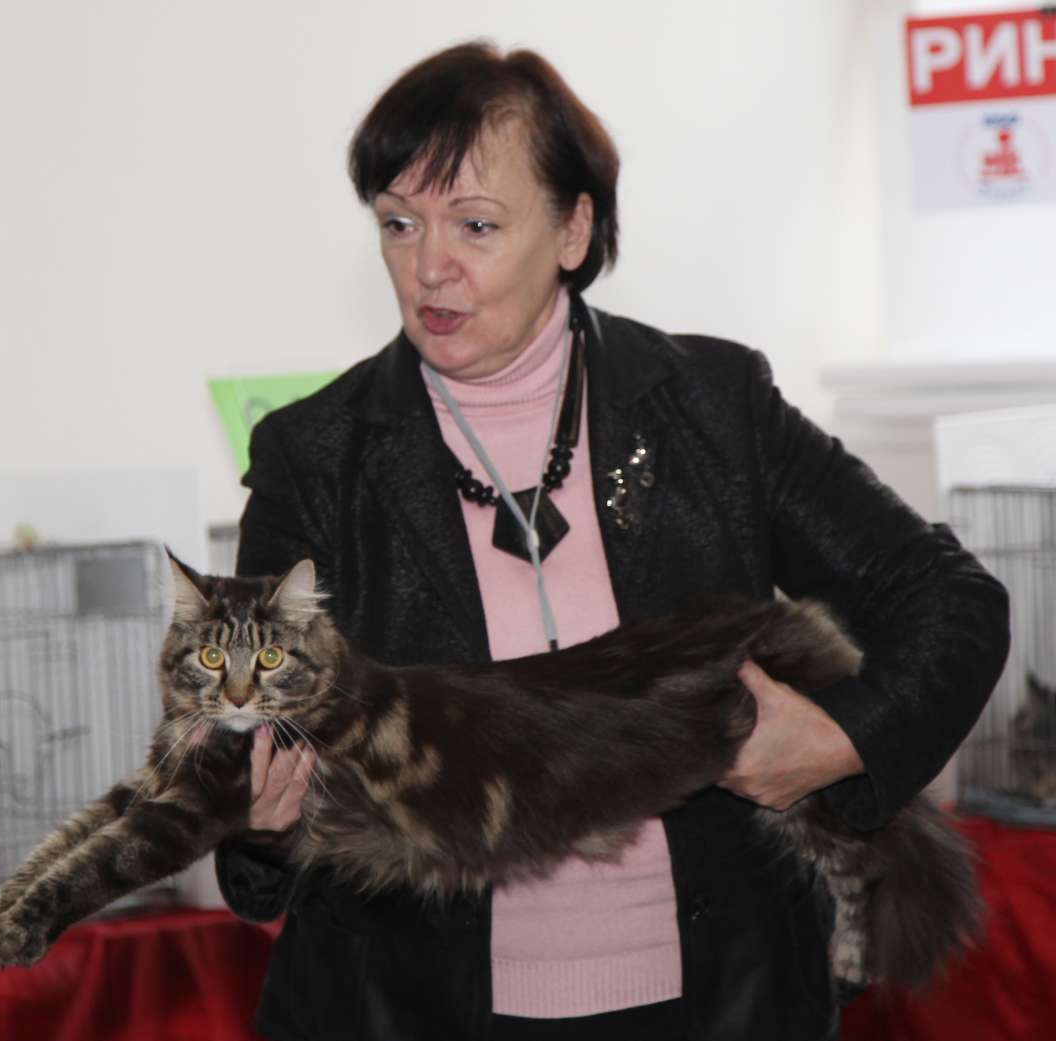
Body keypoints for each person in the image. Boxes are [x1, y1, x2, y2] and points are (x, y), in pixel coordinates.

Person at [214, 42, 1009, 1041]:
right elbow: (238, 771)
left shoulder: (709, 408)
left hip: (721, 998)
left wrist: (840, 741)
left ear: (573, 230)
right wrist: (257, 815)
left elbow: (951, 599)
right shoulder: (317, 458)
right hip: (412, 1005)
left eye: (476, 225)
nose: (428, 266)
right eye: (399, 223)